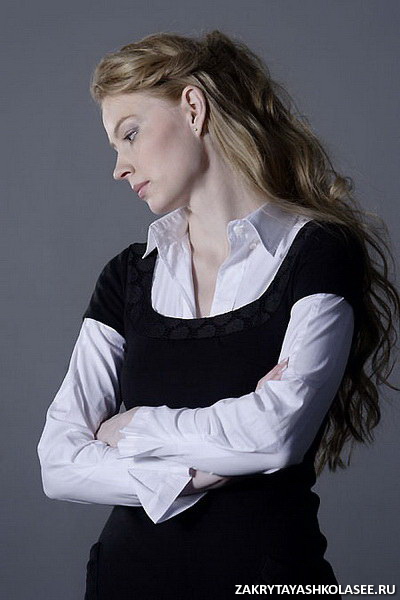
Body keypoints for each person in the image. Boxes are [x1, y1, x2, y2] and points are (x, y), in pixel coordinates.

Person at [37, 30, 400, 599]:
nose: (119, 167)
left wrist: (135, 427)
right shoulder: (127, 277)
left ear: (193, 107)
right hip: (125, 583)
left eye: (130, 134)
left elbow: (277, 436)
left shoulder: (317, 253)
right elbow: (58, 464)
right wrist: (198, 471)